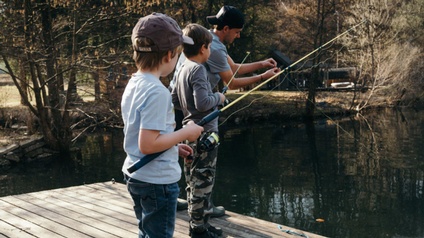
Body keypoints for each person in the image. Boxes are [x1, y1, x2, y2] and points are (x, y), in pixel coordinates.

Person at [121, 13, 204, 238]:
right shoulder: (157, 92)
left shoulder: (134, 83)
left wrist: (174, 146)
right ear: (169, 55)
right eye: (178, 55)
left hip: (137, 176)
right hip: (157, 182)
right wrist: (185, 132)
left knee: (146, 232)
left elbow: (143, 135)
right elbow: (148, 144)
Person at [171, 23, 226, 238]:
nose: (210, 51)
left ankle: (202, 222)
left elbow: (174, 99)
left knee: (193, 182)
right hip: (204, 135)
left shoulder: (183, 68)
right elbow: (204, 103)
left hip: (188, 133)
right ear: (203, 48)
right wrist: (219, 98)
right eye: (210, 47)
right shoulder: (197, 69)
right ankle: (198, 229)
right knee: (204, 183)